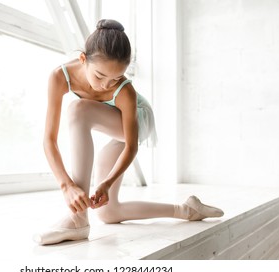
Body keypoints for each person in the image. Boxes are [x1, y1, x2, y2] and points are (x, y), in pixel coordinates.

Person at [34, 19, 223, 245]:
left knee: (78, 109)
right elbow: (49, 140)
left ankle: (78, 219)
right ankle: (187, 209)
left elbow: (131, 146)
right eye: (100, 76)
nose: (106, 85)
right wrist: (67, 186)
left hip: (137, 120)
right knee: (108, 213)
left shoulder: (125, 90)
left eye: (115, 78)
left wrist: (107, 182)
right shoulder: (59, 77)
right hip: (111, 123)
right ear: (83, 59)